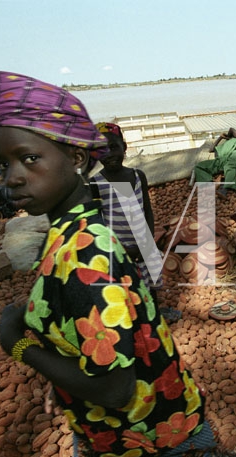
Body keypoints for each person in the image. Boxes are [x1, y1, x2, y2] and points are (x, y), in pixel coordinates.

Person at [0, 71, 236, 457]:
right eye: (4, 163)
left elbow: (116, 388)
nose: (12, 177)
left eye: (30, 158)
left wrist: (18, 344)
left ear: (75, 158)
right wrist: (60, 369)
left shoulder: (86, 256)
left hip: (143, 433)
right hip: (142, 422)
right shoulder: (67, 237)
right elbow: (96, 332)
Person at [90, 122, 168, 316]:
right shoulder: (96, 183)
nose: (108, 154)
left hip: (143, 244)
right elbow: (98, 221)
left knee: (150, 284)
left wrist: (148, 243)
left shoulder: (137, 176)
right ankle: (137, 321)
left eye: (113, 147)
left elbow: (147, 210)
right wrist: (119, 249)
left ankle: (155, 317)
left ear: (124, 147)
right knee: (128, 286)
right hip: (119, 247)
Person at [193, 127, 236, 198]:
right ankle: (209, 184)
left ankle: (225, 189)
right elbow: (211, 149)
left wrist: (228, 135)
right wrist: (220, 138)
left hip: (234, 156)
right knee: (199, 166)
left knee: (230, 166)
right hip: (221, 159)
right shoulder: (226, 143)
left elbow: (231, 129)